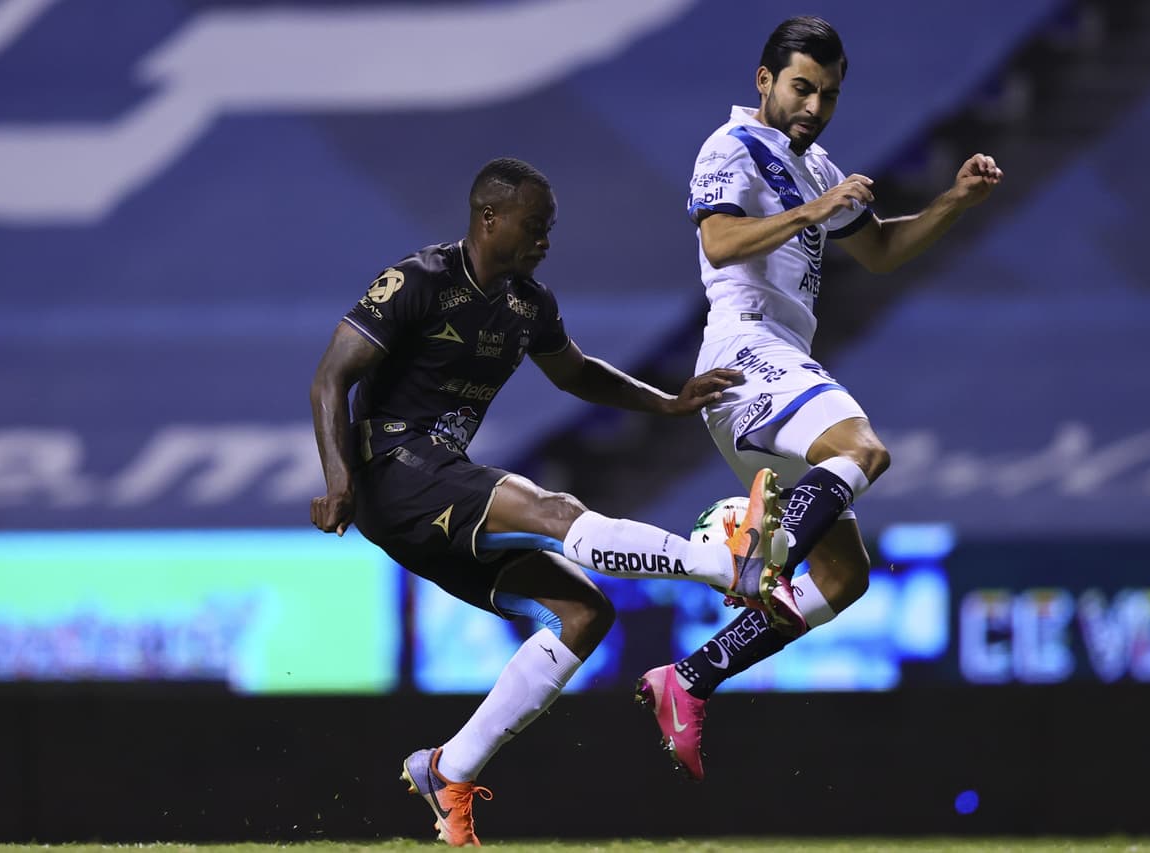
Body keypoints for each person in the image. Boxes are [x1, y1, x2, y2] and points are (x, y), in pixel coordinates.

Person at [309, 157, 801, 846]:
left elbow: (576, 373)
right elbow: (330, 377)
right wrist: (338, 478)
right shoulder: (419, 280)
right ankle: (730, 567)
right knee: (553, 511)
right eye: (534, 226)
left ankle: (448, 769)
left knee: (584, 612)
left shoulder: (528, 305)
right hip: (390, 469)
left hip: (429, 493)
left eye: (550, 228)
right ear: (488, 218)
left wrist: (667, 402)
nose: (545, 239)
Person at [635, 15, 1004, 781]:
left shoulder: (815, 165)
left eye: (828, 95)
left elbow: (880, 250)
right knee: (863, 448)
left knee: (844, 578)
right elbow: (720, 242)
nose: (814, 106)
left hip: (775, 369)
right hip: (744, 352)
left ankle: (689, 678)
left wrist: (953, 202)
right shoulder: (730, 147)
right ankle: (753, 553)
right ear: (764, 80)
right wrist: (812, 209)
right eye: (802, 87)